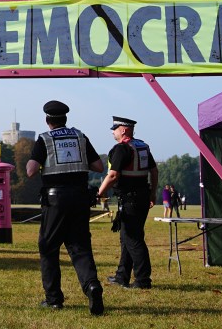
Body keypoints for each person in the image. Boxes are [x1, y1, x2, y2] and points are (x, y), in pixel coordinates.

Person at [26, 100, 105, 316]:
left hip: (55, 200)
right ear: (65, 119)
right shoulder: (80, 137)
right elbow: (99, 166)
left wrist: (40, 162)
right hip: (80, 197)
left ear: (47, 120)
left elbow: (31, 171)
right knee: (80, 246)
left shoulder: (44, 139)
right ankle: (92, 286)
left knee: (49, 247)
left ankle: (53, 299)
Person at [97, 116, 158, 290]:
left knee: (133, 239)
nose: (112, 132)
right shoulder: (142, 147)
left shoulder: (122, 149)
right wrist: (153, 193)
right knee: (127, 238)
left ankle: (143, 280)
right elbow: (154, 171)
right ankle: (121, 276)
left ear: (123, 130)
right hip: (142, 196)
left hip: (130, 199)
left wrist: (99, 193)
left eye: (114, 129)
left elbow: (113, 175)